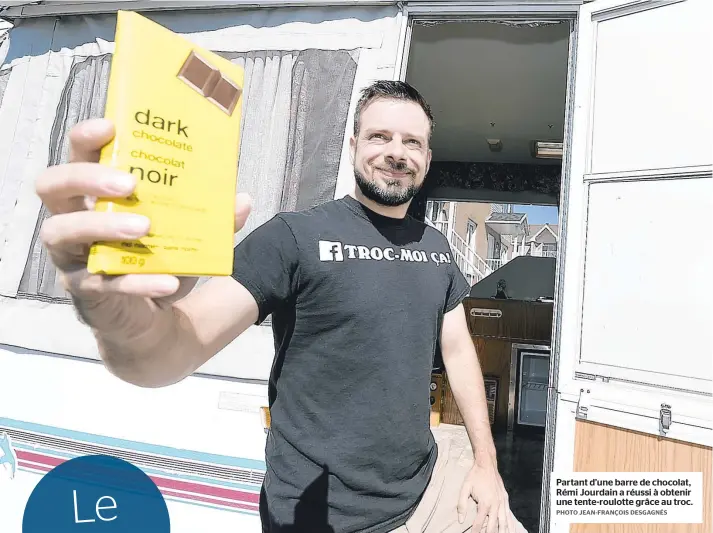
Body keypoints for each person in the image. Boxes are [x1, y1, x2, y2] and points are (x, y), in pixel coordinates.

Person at [35, 80, 527, 533]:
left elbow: (459, 352)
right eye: (380, 137)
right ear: (353, 146)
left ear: (427, 156)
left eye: (412, 142)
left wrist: (487, 463)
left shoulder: (436, 247)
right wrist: (132, 328)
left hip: (427, 491)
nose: (396, 153)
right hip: (318, 515)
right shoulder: (294, 236)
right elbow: (172, 349)